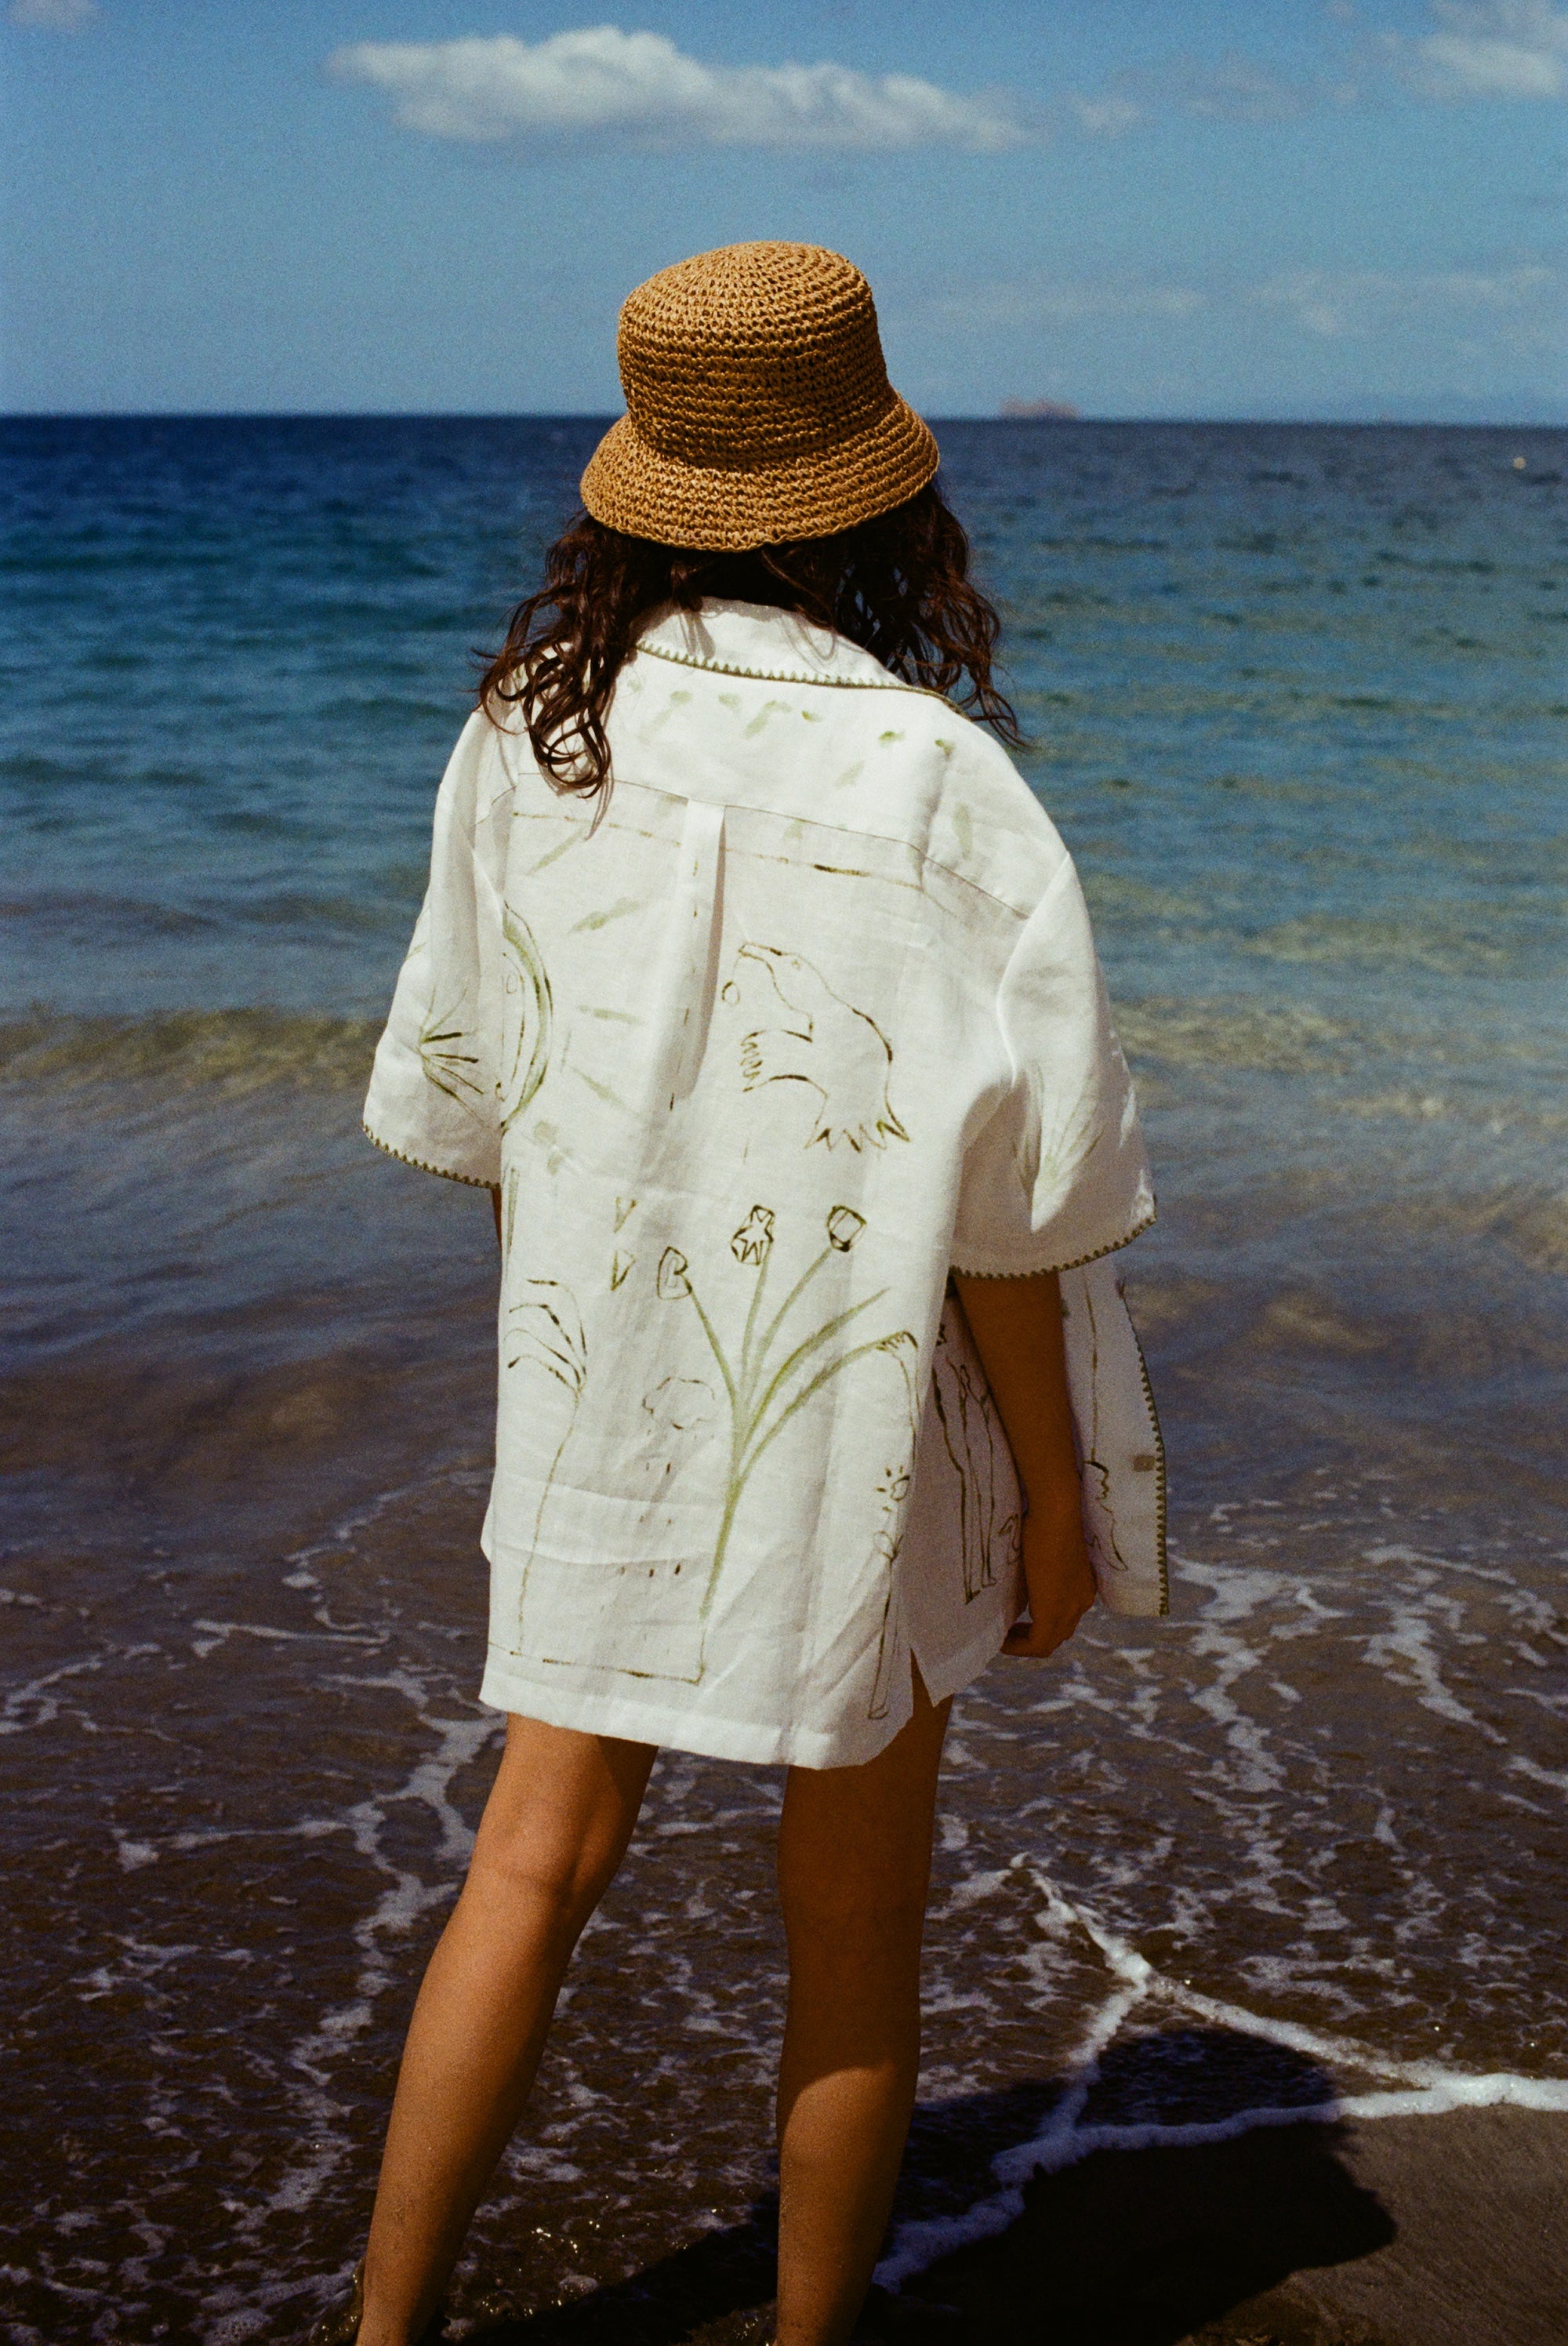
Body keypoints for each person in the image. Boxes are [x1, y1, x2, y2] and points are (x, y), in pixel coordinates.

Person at [314, 241, 1164, 2346]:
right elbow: (1012, 1220)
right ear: (890, 490)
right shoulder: (940, 788)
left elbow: (475, 1106)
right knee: (856, 1932)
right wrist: (1059, 1503)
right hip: (861, 1437)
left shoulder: (535, 735)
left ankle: (381, 2333)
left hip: (608, 1398)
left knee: (529, 1868)